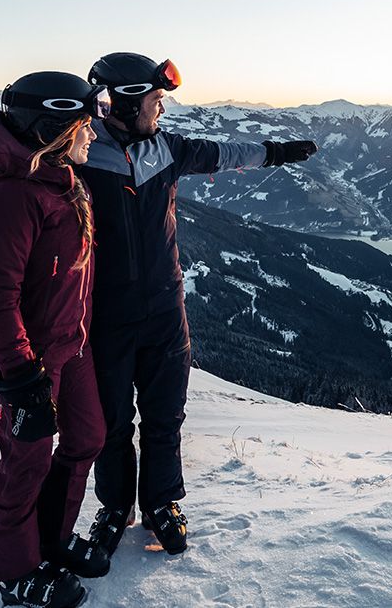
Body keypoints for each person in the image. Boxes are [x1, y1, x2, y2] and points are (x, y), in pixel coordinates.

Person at [79, 51, 317, 557]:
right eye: (155, 100)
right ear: (125, 102)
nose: (161, 109)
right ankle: (115, 508)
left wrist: (276, 152)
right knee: (112, 423)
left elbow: (225, 153)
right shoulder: (81, 156)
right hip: (107, 315)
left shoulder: (166, 149)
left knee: (165, 417)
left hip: (166, 310)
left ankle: (160, 503)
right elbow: (32, 194)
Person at [0, 72, 113, 608]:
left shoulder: (65, 183)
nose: (93, 135)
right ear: (53, 129)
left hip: (70, 348)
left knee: (88, 437)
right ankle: (15, 574)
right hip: (26, 365)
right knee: (25, 463)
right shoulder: (13, 199)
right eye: (84, 125)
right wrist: (20, 375)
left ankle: (51, 538)